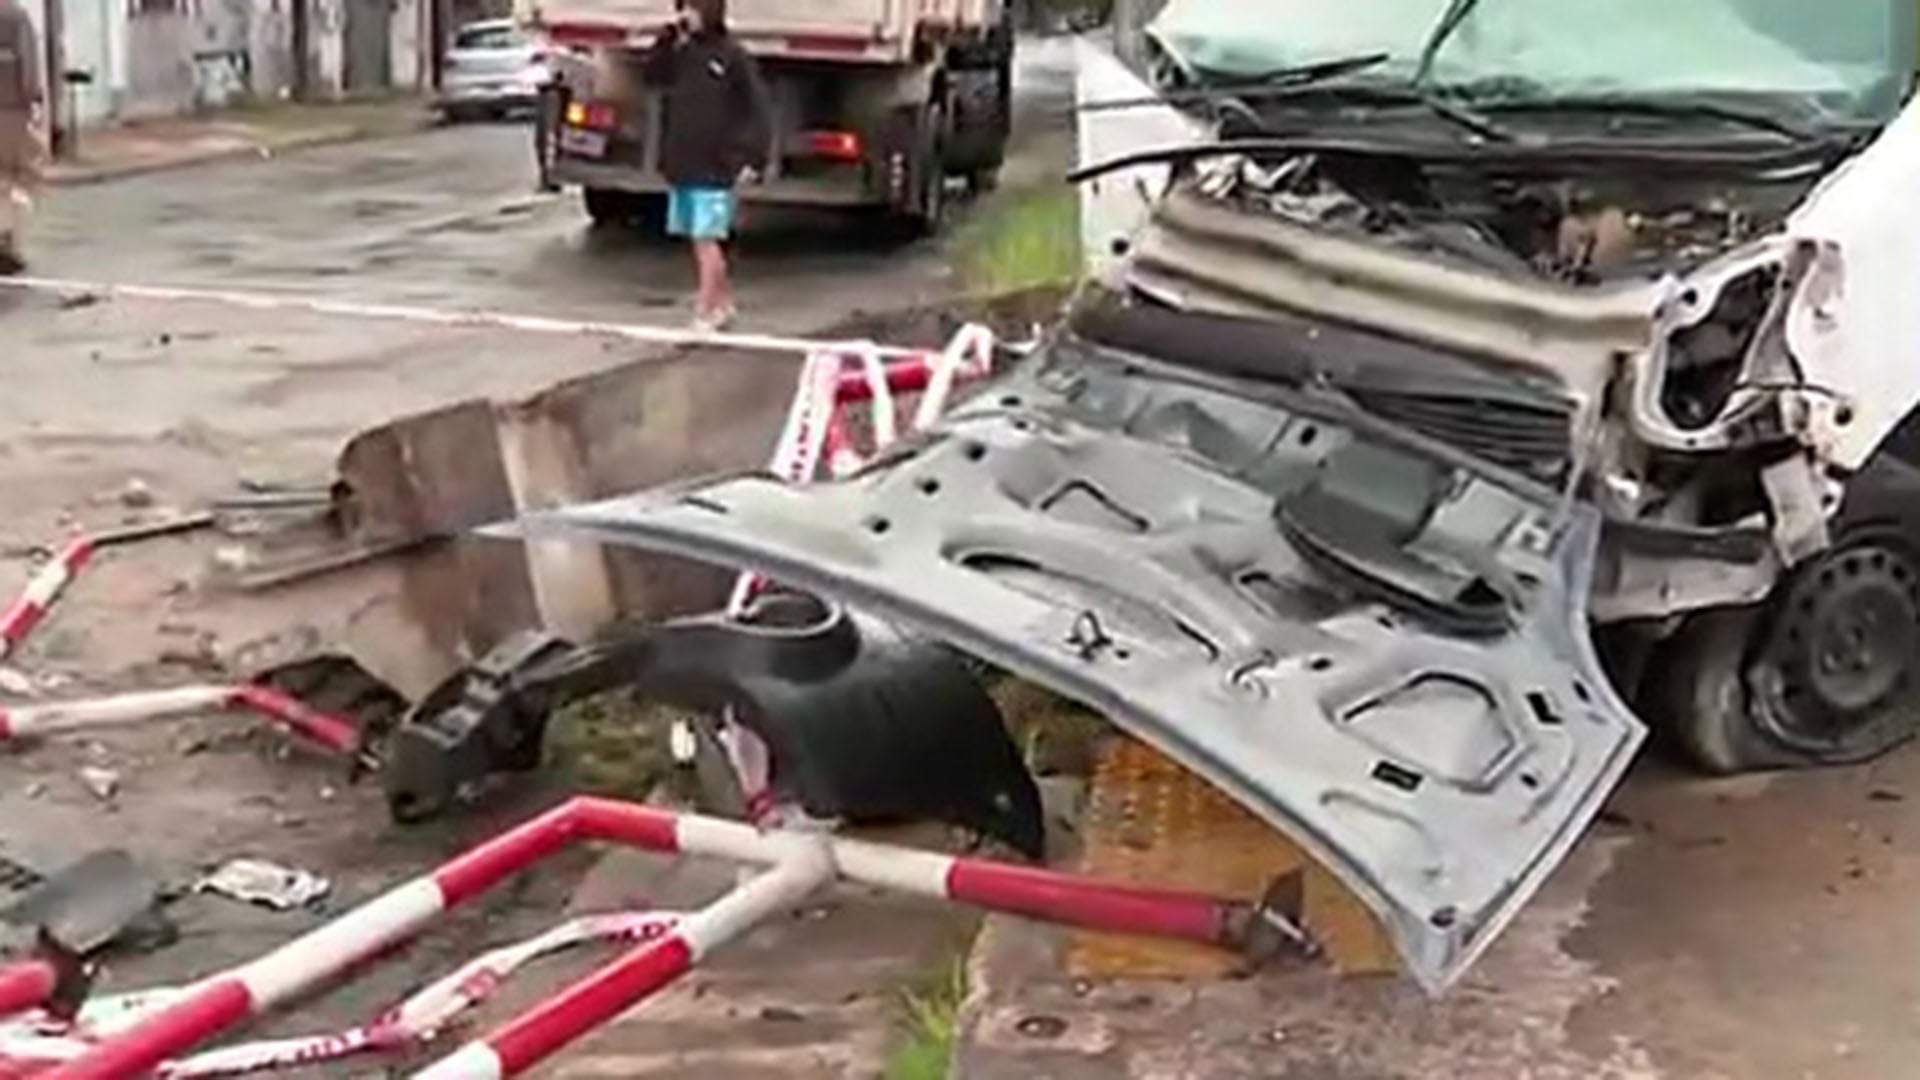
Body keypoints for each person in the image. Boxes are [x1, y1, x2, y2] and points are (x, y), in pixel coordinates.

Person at [642, 0, 770, 332]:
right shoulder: (682, 54)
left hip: (716, 164)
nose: (688, 15)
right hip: (683, 159)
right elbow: (653, 77)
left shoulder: (733, 57)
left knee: (707, 238)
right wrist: (666, 39)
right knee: (695, 236)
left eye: (694, 8)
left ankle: (705, 309)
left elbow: (756, 109)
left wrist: (752, 156)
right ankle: (722, 303)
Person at [0, 0, 44, 276]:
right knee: (21, 176)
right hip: (12, 109)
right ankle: (12, 244)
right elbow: (28, 63)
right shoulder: (17, 17)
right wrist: (33, 97)